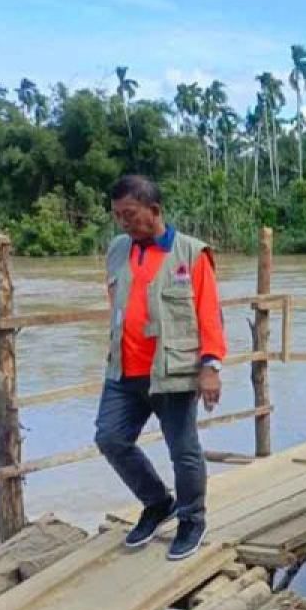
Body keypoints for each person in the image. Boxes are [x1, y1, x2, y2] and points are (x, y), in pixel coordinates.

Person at [95, 175, 226, 561]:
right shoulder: (118, 250)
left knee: (183, 451)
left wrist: (211, 367)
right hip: (123, 371)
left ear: (154, 210)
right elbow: (117, 303)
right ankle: (157, 502)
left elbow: (209, 314)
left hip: (172, 371)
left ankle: (191, 518)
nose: (124, 223)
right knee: (110, 438)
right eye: (118, 216)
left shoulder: (191, 253)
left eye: (130, 214)